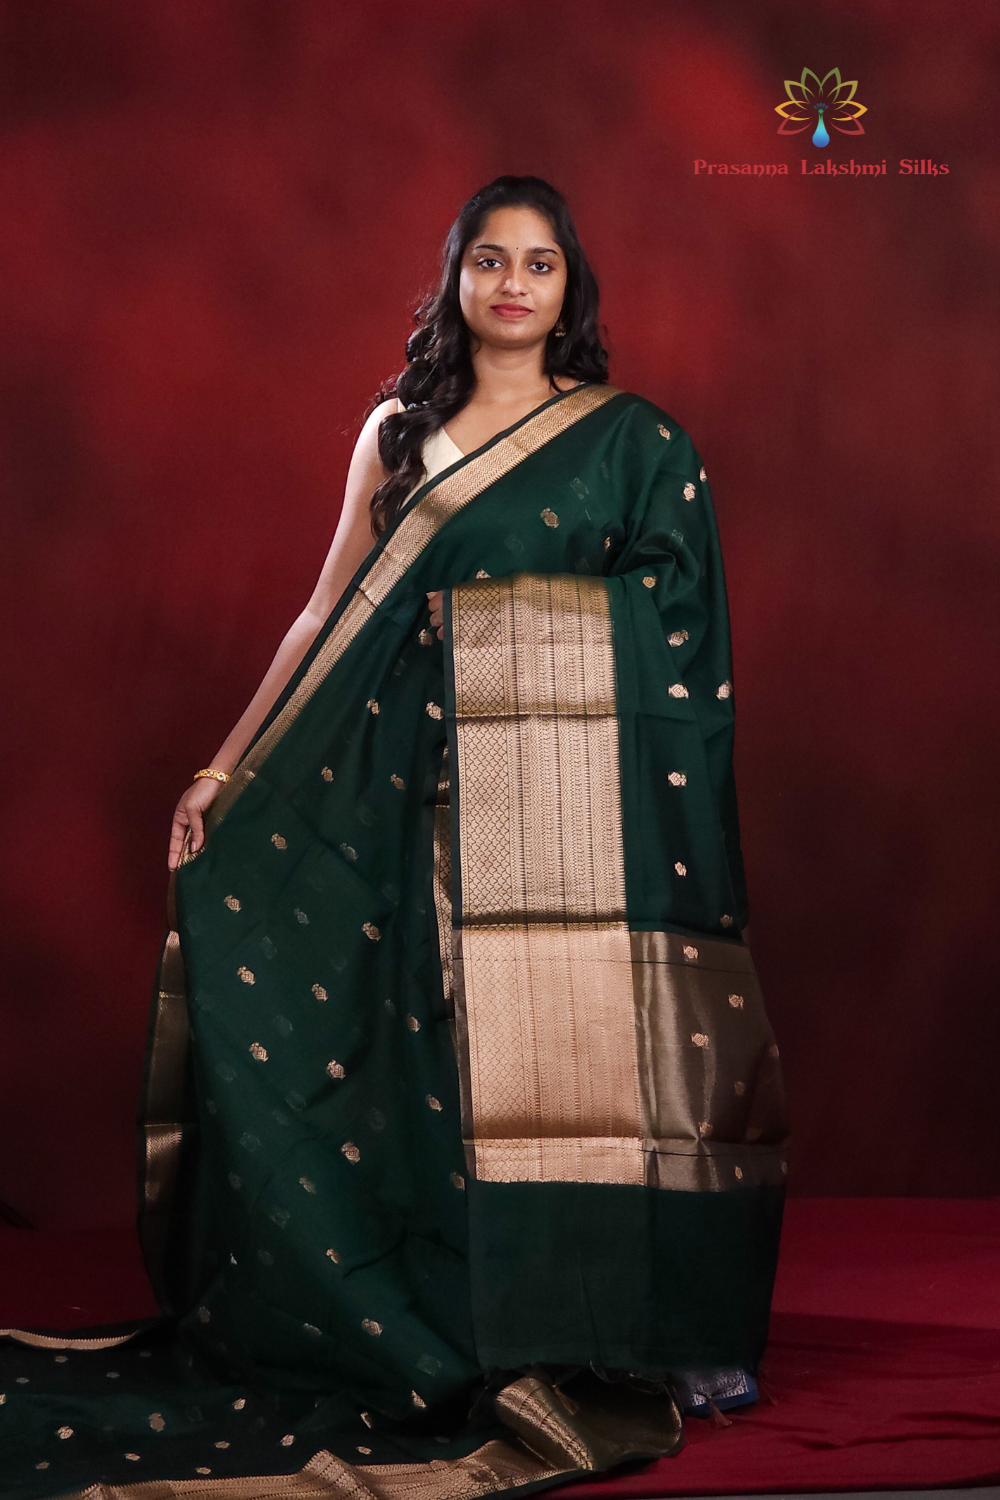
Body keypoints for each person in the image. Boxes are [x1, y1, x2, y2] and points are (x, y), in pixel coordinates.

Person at [0, 175, 787, 1498]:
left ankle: (614, 1326)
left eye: (539, 263)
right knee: (434, 1060)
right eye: (491, 260)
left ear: (571, 289)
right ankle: (451, 1319)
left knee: (570, 1062)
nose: (514, 285)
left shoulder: (633, 443)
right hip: (404, 790)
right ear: (456, 278)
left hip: (569, 824)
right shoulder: (400, 434)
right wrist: (227, 766)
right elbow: (324, 615)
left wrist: (501, 629)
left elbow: (678, 621)